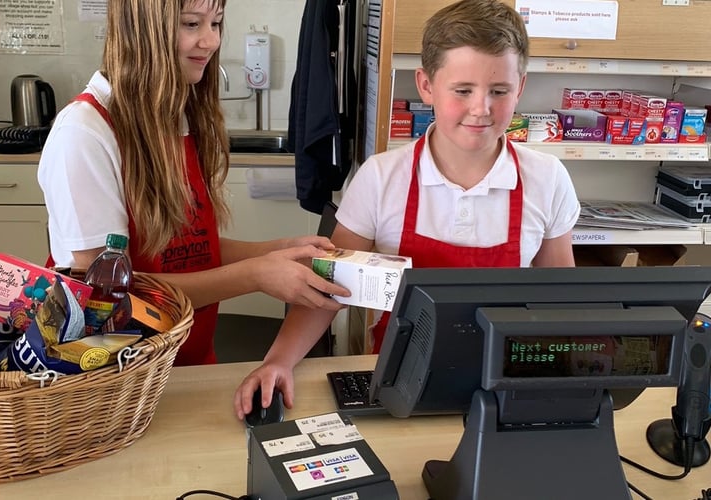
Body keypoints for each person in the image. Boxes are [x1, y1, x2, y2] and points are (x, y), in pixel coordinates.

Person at [233, 0, 581, 418]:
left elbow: (557, 298)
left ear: (520, 87)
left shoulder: (547, 178)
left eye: (499, 91)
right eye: (463, 90)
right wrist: (279, 360)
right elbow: (328, 288)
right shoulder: (381, 179)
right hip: (399, 383)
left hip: (504, 385)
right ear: (426, 84)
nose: (481, 108)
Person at [37, 0, 349, 366]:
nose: (211, 40)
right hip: (117, 377)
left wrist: (279, 250)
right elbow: (105, 295)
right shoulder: (85, 132)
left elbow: (188, 250)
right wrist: (256, 275)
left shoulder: (175, 117)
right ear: (142, 30)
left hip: (190, 358)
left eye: (215, 23)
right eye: (191, 24)